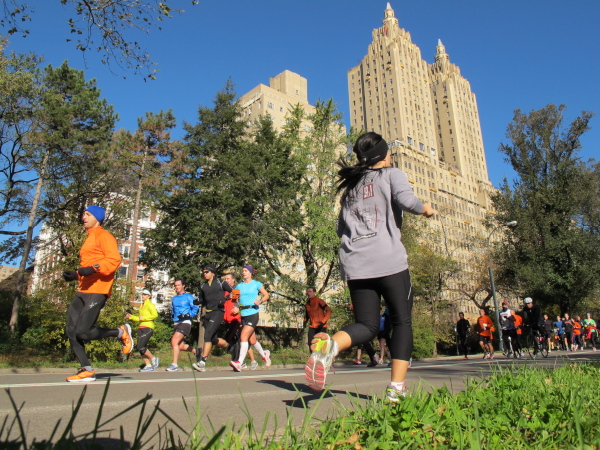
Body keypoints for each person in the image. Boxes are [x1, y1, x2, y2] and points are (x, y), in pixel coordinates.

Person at [303, 132, 434, 401]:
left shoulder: (350, 187)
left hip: (356, 265)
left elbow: (341, 228)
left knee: (366, 324)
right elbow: (407, 201)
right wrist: (425, 209)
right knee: (402, 321)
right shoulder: (392, 174)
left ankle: (331, 345)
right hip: (389, 262)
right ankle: (396, 388)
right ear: (384, 156)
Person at [62, 205, 131, 382]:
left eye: (88, 214)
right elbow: (86, 267)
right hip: (83, 289)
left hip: (98, 289)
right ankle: (86, 370)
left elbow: (114, 260)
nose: (83, 217)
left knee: (83, 332)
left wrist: (92, 269)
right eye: (83, 214)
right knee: (71, 330)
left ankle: (120, 332)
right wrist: (75, 275)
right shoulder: (88, 238)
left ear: (97, 218)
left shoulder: (104, 236)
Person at [229, 265, 271, 372]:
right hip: (243, 314)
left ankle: (239, 362)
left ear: (251, 273)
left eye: (246, 271)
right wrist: (236, 309)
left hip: (253, 313)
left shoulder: (256, 284)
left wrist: (260, 301)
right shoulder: (239, 286)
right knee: (252, 340)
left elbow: (266, 295)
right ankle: (264, 354)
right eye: (243, 271)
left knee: (243, 336)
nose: (243, 272)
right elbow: (235, 301)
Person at [192, 264, 233, 372]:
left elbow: (234, 292)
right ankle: (231, 348)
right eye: (203, 272)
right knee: (213, 339)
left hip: (218, 312)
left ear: (213, 273)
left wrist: (226, 299)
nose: (204, 274)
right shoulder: (203, 286)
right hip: (208, 313)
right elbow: (201, 300)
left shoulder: (221, 282)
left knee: (207, 336)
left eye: (207, 272)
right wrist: (193, 301)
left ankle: (202, 362)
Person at [222, 272, 257, 369]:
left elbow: (240, 305)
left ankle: (240, 361)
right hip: (227, 320)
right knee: (240, 341)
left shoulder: (236, 290)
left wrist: (240, 314)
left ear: (233, 280)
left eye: (228, 279)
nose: (226, 280)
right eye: (225, 279)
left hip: (236, 320)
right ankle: (250, 361)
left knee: (237, 340)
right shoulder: (225, 292)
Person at [166, 278, 199, 372]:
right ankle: (197, 352)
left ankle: (174, 365)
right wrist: (172, 316)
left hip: (185, 322)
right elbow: (173, 310)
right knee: (180, 346)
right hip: (176, 322)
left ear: (183, 286)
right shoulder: (174, 298)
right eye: (175, 285)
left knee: (174, 341)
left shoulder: (188, 296)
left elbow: (196, 307)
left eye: (179, 285)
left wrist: (189, 315)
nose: (177, 287)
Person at [126, 289, 160, 372]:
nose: (143, 296)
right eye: (142, 294)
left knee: (140, 346)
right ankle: (148, 365)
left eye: (145, 294)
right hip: (141, 327)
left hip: (148, 327)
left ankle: (154, 358)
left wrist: (144, 318)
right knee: (140, 347)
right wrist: (131, 317)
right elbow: (139, 318)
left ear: (149, 296)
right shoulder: (142, 305)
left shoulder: (150, 305)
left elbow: (155, 315)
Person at [304, 287, 332, 352]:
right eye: (307, 291)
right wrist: (305, 320)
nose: (308, 293)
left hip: (321, 326)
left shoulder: (319, 301)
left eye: (310, 291)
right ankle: (313, 357)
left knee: (321, 344)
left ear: (314, 293)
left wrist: (323, 322)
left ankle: (325, 356)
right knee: (311, 343)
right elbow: (307, 314)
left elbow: (329, 311)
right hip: (312, 326)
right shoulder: (307, 304)